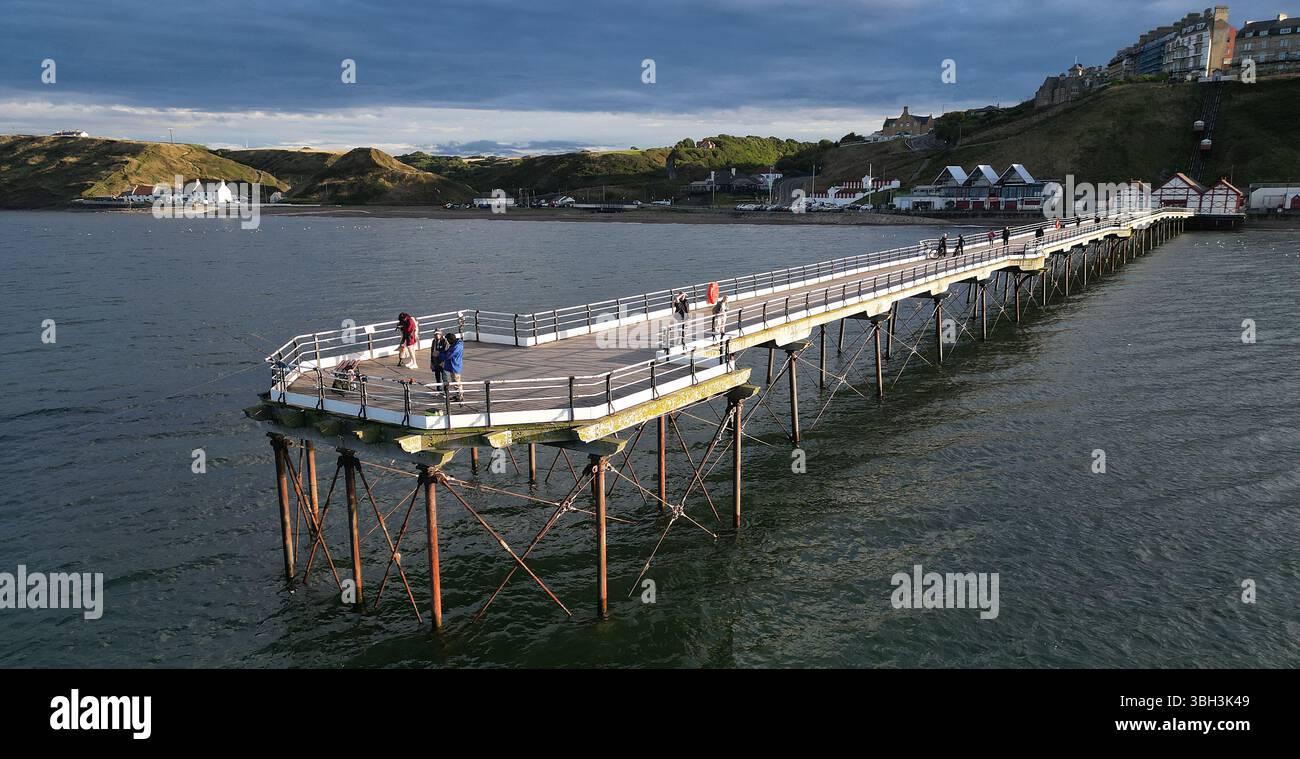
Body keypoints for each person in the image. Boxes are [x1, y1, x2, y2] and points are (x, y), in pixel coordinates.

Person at [438, 332, 464, 402]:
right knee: (456, 381)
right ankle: (458, 395)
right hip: (455, 365)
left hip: (455, 366)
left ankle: (459, 396)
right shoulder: (456, 344)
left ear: (450, 339)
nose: (448, 342)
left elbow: (448, 355)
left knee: (456, 382)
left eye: (448, 340)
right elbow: (448, 352)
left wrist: (439, 354)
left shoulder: (456, 347)